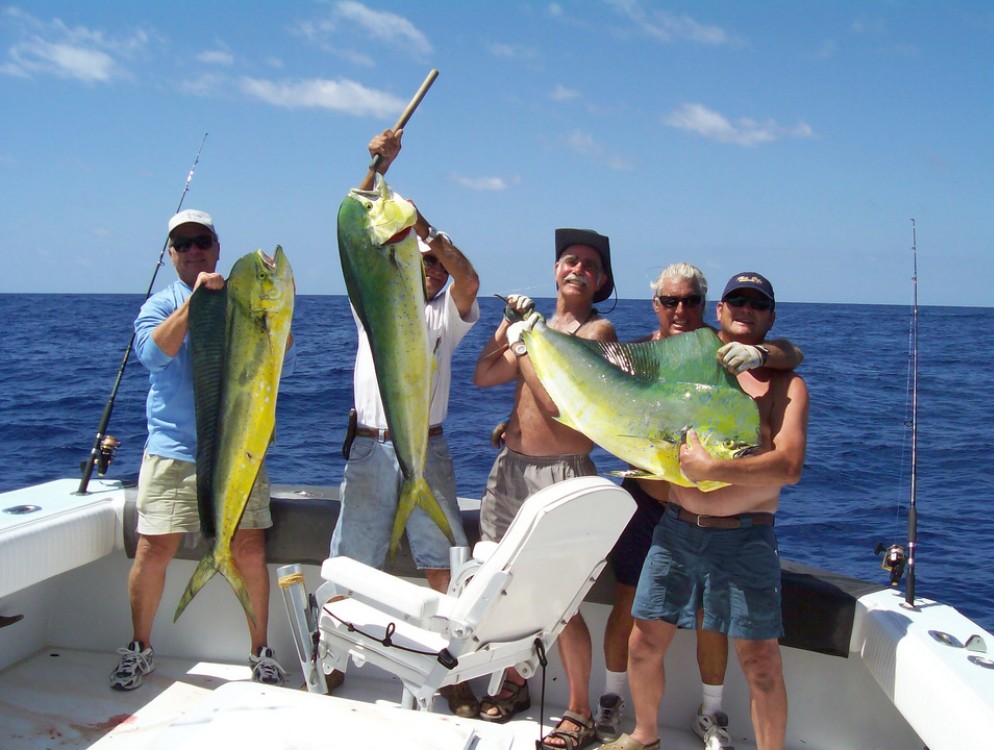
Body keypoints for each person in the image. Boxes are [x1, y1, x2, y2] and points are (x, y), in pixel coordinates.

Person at [596, 264, 803, 750]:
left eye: (759, 305)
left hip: (745, 536)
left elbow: (789, 466)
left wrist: (716, 470)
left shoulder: (785, 384)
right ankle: (645, 734)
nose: (747, 311)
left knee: (761, 661)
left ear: (770, 319)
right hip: (675, 527)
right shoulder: (685, 361)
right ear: (722, 311)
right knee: (644, 642)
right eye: (739, 302)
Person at [328, 129, 481, 717]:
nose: (433, 273)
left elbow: (468, 282)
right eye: (424, 265)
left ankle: (452, 673)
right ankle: (335, 657)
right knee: (351, 558)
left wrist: (432, 235)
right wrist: (376, 166)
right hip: (369, 447)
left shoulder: (447, 315)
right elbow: (352, 221)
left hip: (426, 446)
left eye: (437, 266)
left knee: (445, 561)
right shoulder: (376, 296)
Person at [110, 209, 296, 691]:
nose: (194, 250)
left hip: (240, 453)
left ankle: (260, 652)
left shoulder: (244, 299)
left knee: (249, 548)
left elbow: (282, 356)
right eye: (183, 244)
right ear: (171, 255)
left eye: (202, 241)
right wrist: (194, 304)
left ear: (216, 247)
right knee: (154, 548)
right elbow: (151, 355)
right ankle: (139, 648)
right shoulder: (161, 305)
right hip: (175, 452)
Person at [473, 228, 616, 749]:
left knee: (564, 600)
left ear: (599, 281)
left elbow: (555, 401)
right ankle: (515, 680)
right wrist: (508, 328)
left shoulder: (598, 331)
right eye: (568, 261)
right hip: (510, 471)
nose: (576, 268)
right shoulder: (538, 329)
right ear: (556, 271)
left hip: (563, 474)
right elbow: (484, 375)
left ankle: (579, 710)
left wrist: (526, 342)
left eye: (588, 265)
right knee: (504, 584)